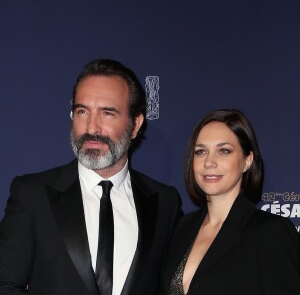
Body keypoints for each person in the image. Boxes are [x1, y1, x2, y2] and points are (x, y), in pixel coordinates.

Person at [0, 59, 182, 295]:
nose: (92, 128)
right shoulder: (32, 194)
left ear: (135, 125)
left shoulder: (165, 202)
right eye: (82, 111)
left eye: (108, 113)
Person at [159, 109, 300, 295]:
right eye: (201, 151)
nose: (209, 162)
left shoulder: (271, 232)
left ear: (247, 160)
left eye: (224, 151)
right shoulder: (181, 228)